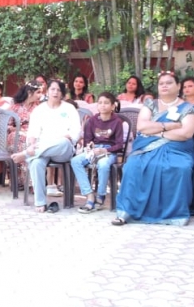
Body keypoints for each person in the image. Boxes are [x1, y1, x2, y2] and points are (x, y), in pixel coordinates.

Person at [111, 71, 194, 226]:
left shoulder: (188, 108)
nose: (164, 86)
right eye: (161, 83)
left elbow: (186, 133)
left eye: (169, 83)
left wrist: (157, 132)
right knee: (133, 165)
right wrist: (169, 126)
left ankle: (174, 214)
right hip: (147, 148)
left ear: (178, 86)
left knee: (180, 167)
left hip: (178, 150)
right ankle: (128, 211)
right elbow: (142, 126)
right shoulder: (150, 104)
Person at [12, 79, 81, 210]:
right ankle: (40, 203)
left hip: (62, 150)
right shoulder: (39, 110)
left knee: (63, 142)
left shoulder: (69, 108)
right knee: (36, 162)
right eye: (52, 89)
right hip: (42, 149)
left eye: (58, 90)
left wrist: (65, 138)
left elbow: (75, 133)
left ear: (62, 93)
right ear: (47, 91)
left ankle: (27, 154)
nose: (55, 92)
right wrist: (32, 143)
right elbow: (32, 133)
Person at [72, 92, 126, 213]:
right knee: (75, 161)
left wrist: (105, 150)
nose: (103, 105)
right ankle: (89, 195)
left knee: (103, 164)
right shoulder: (92, 120)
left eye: (106, 103)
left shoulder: (117, 122)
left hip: (109, 151)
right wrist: (90, 146)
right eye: (100, 102)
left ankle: (100, 196)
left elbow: (119, 145)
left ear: (113, 106)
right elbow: (87, 140)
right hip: (94, 150)